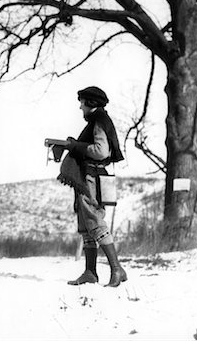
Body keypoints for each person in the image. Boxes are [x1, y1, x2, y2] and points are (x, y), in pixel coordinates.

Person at [62, 86, 127, 287]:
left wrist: (76, 147)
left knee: (94, 221)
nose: (80, 106)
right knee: (85, 224)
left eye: (82, 102)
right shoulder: (97, 120)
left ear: (90, 103)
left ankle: (117, 269)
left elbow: (100, 151)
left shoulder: (98, 121)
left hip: (91, 177)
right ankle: (90, 272)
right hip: (86, 177)